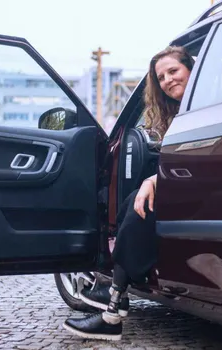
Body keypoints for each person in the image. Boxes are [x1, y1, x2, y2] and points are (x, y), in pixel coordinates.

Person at [62, 46, 195, 341]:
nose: (168, 80)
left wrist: (153, 181)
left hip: (204, 188)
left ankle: (113, 301)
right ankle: (113, 305)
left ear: (191, 68)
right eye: (161, 77)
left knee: (140, 210)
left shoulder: (203, 107)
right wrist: (151, 181)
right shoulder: (181, 112)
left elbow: (191, 157)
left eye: (173, 71)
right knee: (131, 202)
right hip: (187, 183)